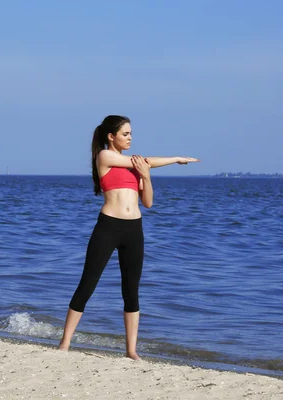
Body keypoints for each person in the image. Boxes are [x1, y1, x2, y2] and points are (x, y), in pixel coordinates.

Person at [58, 115, 199, 360]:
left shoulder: (136, 167)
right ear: (110, 136)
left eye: (131, 133)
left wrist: (146, 175)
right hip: (108, 227)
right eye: (125, 134)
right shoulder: (105, 157)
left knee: (131, 291)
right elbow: (143, 161)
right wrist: (174, 159)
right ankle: (64, 343)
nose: (130, 137)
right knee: (87, 284)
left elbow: (148, 203)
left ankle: (131, 351)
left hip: (134, 229)